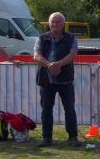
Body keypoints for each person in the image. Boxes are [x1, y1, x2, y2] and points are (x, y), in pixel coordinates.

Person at [34, 12, 82, 147]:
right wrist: (50, 65)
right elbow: (36, 56)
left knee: (70, 109)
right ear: (49, 23)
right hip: (46, 80)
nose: (55, 24)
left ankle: (73, 137)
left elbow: (72, 54)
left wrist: (58, 64)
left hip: (65, 80)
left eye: (58, 22)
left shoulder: (71, 38)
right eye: (53, 22)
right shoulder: (41, 38)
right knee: (46, 110)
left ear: (63, 24)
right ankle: (46, 138)